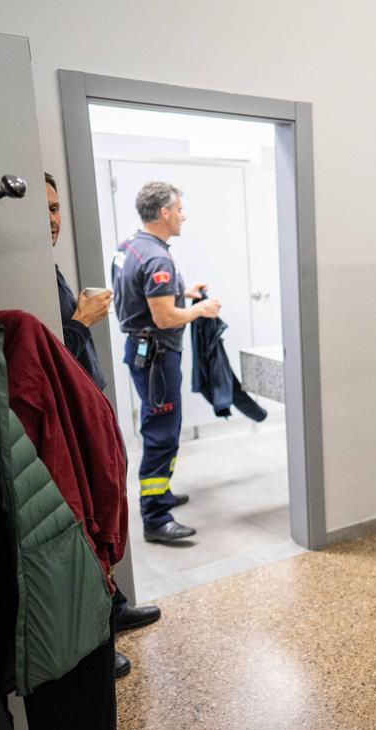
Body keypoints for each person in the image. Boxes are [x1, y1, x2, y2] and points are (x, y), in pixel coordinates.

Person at [45, 173, 161, 679]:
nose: (52, 220)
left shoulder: (57, 266)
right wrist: (81, 319)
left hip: (87, 406)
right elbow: (48, 358)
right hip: (65, 420)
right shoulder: (152, 256)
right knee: (84, 524)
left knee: (103, 508)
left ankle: (112, 608)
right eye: (43, 210)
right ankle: (92, 638)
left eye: (55, 209)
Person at [111, 181, 220, 543]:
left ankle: (160, 492)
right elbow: (164, 318)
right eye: (180, 209)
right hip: (158, 356)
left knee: (159, 424)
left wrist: (180, 292)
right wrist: (200, 309)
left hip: (143, 351)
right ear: (164, 212)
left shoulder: (131, 247)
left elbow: (138, 294)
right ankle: (156, 516)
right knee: (162, 433)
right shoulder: (158, 257)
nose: (183, 215)